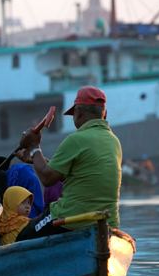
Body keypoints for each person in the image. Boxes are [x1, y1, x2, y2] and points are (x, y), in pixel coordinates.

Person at [15, 85, 122, 241]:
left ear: (78, 113)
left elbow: (47, 178)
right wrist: (34, 158)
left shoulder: (76, 139)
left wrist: (34, 147)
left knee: (23, 236)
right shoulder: (114, 141)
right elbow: (80, 175)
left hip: (73, 217)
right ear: (103, 114)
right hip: (108, 221)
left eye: (73, 114)